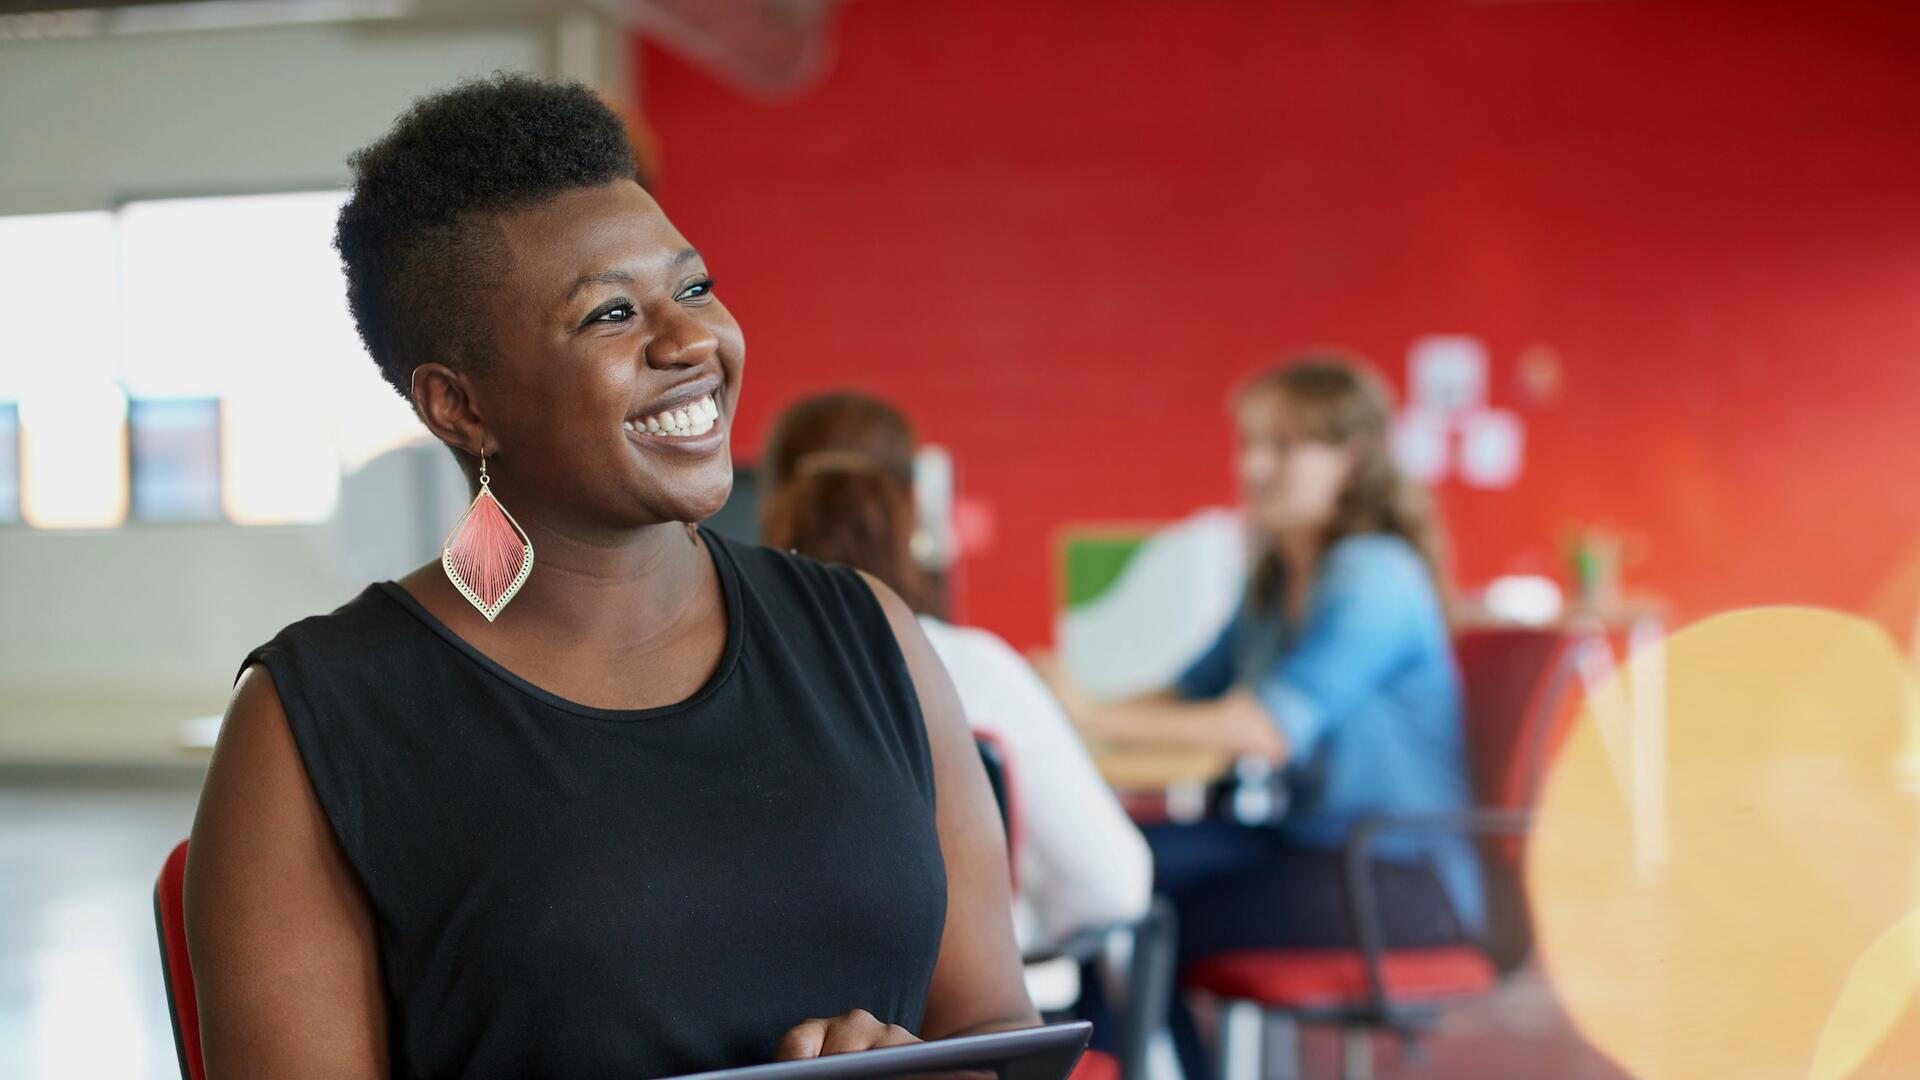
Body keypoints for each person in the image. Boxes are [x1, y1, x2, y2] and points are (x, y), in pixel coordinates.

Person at [184, 76, 1036, 1080]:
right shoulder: (313, 727)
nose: (690, 344)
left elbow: (992, 1024)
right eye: (610, 315)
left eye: (693, 287)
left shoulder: (867, 633)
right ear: (459, 408)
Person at [1046, 357, 1480, 1072]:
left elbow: (1264, 729)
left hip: (1397, 876)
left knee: (1130, 914)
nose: (1253, 466)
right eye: (1249, 443)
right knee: (1094, 870)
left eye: (1282, 446)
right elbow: (1190, 693)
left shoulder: (1373, 573)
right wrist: (1066, 711)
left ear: (1353, 456)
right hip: (1310, 845)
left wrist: (1089, 712)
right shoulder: (1278, 574)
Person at [759, 395, 1153, 961]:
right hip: (984, 1024)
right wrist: (1020, 923)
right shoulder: (973, 669)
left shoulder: (715, 675)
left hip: (790, 1038)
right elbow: (1115, 887)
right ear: (914, 506)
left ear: (767, 506)